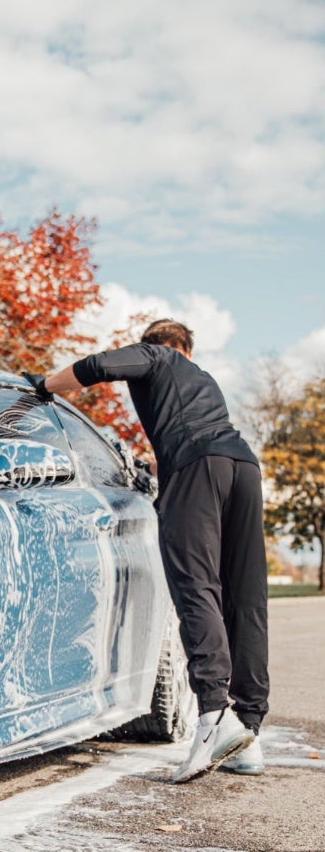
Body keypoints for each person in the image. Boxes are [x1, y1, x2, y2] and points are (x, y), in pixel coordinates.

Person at [36, 318, 268, 782]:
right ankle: (250, 729)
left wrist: (44, 385)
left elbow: (98, 365)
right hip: (244, 467)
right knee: (245, 597)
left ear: (162, 346)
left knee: (195, 585)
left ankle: (212, 716)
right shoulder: (205, 379)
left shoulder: (158, 357)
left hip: (196, 467)